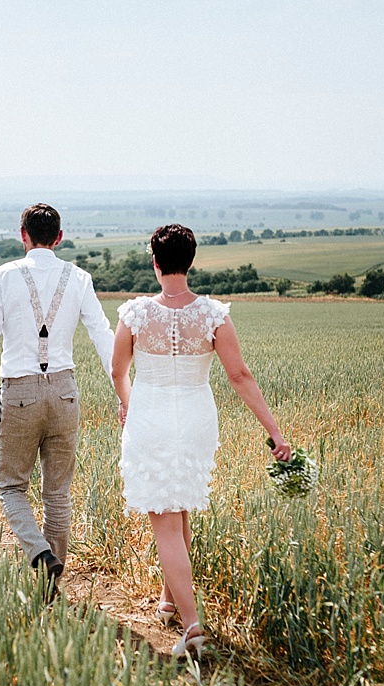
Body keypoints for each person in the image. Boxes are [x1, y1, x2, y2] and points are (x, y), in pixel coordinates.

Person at [111, 223, 292, 657]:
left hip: (151, 415)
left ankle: (192, 628)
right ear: (190, 262)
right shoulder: (213, 314)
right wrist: (275, 431)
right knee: (179, 507)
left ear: (155, 263)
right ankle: (170, 600)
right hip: (195, 418)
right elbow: (239, 376)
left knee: (166, 519)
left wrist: (128, 404)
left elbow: (118, 372)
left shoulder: (135, 314)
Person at [0, 203, 115, 597]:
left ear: (22, 235)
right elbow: (102, 335)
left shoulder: (1, 277)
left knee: (11, 487)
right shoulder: (79, 277)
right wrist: (123, 393)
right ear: (59, 238)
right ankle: (53, 583)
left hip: (20, 392)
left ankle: (39, 552)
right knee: (57, 492)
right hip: (65, 392)